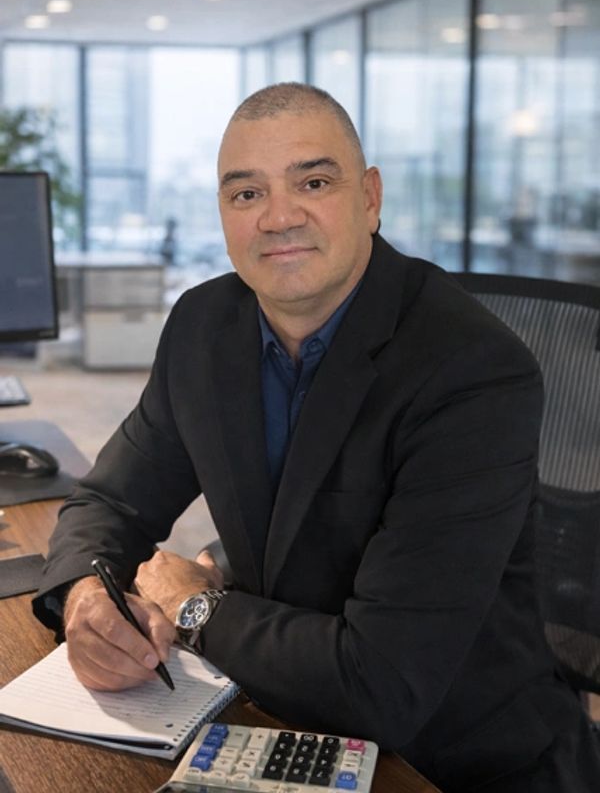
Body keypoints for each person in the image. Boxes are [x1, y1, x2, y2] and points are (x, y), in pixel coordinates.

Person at [33, 83, 600, 792]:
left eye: (313, 181)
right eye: (246, 194)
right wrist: (86, 596)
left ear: (368, 197)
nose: (277, 217)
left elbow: (381, 683)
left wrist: (193, 603)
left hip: (449, 758)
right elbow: (109, 504)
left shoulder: (473, 372)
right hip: (273, 713)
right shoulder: (205, 327)